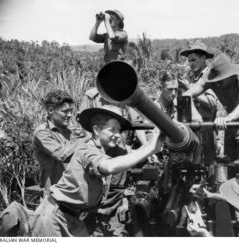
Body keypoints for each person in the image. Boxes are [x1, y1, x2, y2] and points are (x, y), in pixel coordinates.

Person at [30, 105, 164, 237]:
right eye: (112, 130)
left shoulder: (110, 149)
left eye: (119, 131)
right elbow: (108, 167)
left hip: (76, 218)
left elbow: (134, 155)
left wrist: (154, 143)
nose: (118, 135)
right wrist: (150, 148)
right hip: (55, 217)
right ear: (96, 130)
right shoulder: (86, 150)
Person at [184, 53, 239, 176]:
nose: (217, 83)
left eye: (220, 80)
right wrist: (195, 113)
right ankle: (230, 190)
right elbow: (186, 95)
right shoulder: (211, 81)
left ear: (230, 75)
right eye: (215, 80)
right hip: (230, 119)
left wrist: (228, 118)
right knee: (231, 163)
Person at [32, 90, 90, 194]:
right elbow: (62, 155)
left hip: (74, 188)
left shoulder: (70, 130)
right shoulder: (42, 133)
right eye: (65, 111)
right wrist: (87, 138)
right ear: (50, 110)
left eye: (70, 111)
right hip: (55, 191)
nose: (69, 115)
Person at [178, 43, 219, 165]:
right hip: (191, 129)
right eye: (189, 60)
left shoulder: (210, 76)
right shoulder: (190, 76)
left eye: (194, 60)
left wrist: (189, 88)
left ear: (203, 59)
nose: (191, 63)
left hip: (207, 128)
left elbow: (212, 103)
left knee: (209, 168)